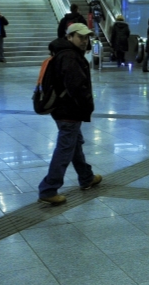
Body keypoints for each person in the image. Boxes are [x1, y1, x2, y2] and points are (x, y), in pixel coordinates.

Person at [38, 23, 102, 206]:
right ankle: (48, 188)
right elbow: (76, 87)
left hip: (63, 109)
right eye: (80, 37)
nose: (84, 41)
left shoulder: (64, 53)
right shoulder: (69, 56)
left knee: (74, 144)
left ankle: (86, 176)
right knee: (65, 148)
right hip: (69, 110)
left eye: (86, 37)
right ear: (69, 37)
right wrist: (87, 104)